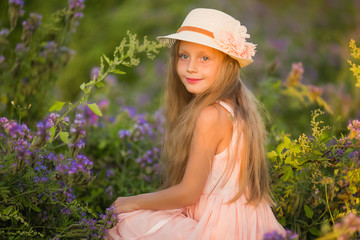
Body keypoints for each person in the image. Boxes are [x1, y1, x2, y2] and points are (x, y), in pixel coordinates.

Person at [107, 8, 286, 240]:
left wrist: (129, 202)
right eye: (184, 56)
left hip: (220, 229)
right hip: (245, 222)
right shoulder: (235, 108)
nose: (191, 67)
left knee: (124, 221)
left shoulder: (210, 115)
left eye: (205, 58)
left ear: (228, 65)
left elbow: (189, 193)